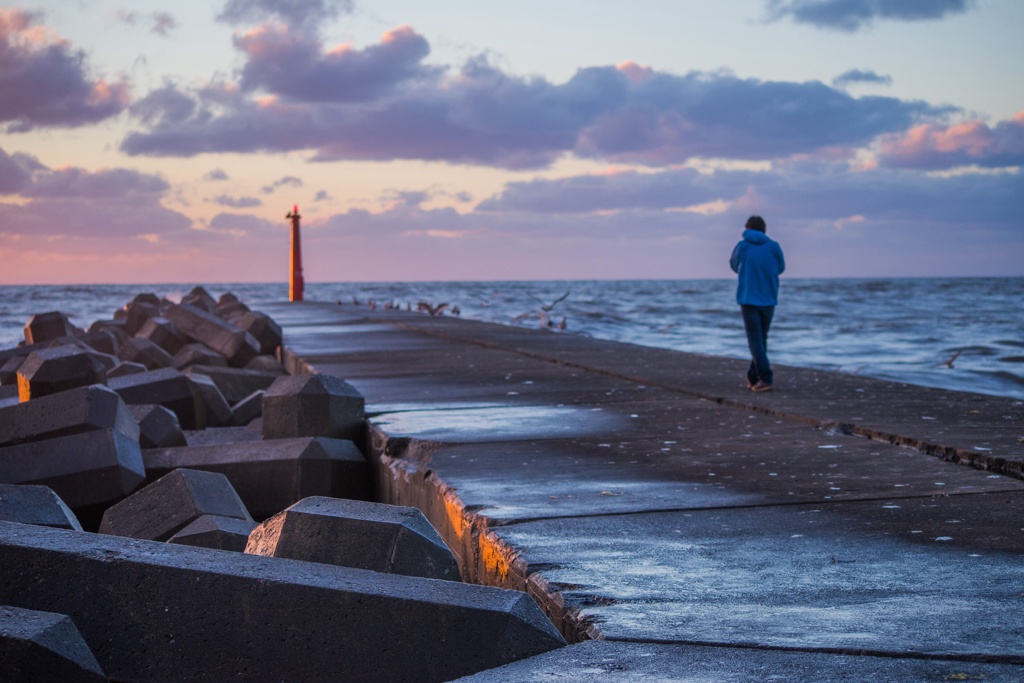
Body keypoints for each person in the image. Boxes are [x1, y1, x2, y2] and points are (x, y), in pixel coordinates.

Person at [729, 215, 785, 392]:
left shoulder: (743, 246)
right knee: (762, 338)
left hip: (748, 298)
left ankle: (765, 377)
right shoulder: (773, 246)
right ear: (764, 229)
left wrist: (747, 270)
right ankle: (753, 376)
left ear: (747, 228)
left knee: (755, 339)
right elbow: (781, 267)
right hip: (769, 297)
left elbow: (733, 264)